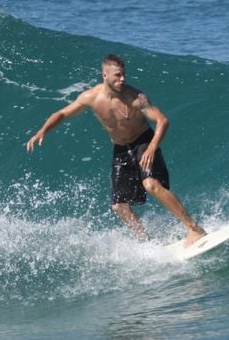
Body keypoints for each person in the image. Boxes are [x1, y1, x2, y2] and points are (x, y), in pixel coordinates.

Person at [26, 54, 206, 247]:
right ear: (105, 75)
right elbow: (62, 113)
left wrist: (152, 147)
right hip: (121, 149)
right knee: (119, 206)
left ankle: (194, 229)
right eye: (118, 75)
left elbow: (162, 120)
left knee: (151, 185)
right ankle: (147, 243)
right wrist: (42, 130)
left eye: (124, 75)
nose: (123, 79)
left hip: (143, 142)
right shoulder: (91, 98)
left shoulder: (137, 98)